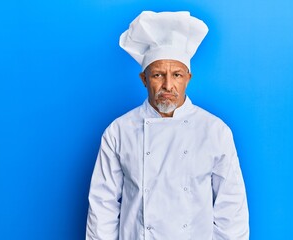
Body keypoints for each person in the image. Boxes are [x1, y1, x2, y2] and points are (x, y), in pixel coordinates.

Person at [86, 11, 249, 240]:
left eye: (177, 75)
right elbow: (103, 206)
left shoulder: (215, 131)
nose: (168, 85)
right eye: (158, 75)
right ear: (144, 79)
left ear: (188, 78)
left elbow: (231, 210)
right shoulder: (118, 131)